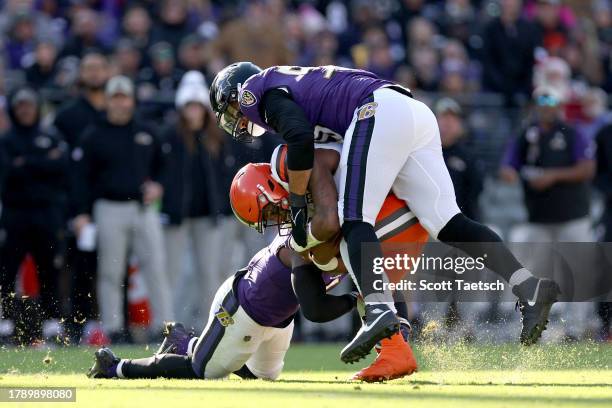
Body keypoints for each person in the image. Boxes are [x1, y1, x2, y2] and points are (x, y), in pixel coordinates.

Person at [209, 62, 560, 364]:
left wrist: (299, 206)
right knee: (448, 223)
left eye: (231, 109)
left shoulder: (255, 91)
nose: (237, 118)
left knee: (353, 219)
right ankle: (529, 286)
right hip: (412, 111)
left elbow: (299, 138)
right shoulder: (291, 86)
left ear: (235, 92)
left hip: (376, 109)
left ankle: (378, 311)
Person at [87, 163, 417, 382]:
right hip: (243, 310)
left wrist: (390, 316)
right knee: (204, 371)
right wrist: (357, 299)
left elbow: (384, 277)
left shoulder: (340, 226)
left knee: (262, 380)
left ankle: (188, 342)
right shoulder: (299, 246)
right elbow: (315, 310)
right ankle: (116, 367)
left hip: (279, 321)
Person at [72, 75, 172, 343]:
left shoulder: (146, 130)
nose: (120, 103)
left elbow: (165, 166)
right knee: (110, 270)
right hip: (108, 208)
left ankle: (164, 327)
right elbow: (80, 178)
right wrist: (81, 212)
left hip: (143, 208)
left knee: (156, 267)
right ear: (108, 100)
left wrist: (158, 185)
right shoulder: (94, 134)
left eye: (124, 97)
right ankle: (113, 327)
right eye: (115, 97)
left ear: (131, 99)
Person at [500, 87, 596, 340]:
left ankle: (576, 329)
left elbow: (587, 168)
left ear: (560, 105)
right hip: (538, 218)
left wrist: (553, 176)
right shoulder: (526, 134)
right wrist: (510, 172)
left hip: (572, 216)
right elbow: (508, 164)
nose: (546, 106)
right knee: (531, 273)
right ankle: (530, 325)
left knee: (577, 273)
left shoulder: (572, 133)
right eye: (541, 101)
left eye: (551, 100)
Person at [0, 86, 69, 344]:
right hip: (15, 216)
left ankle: (52, 325)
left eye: (29, 105)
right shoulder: (6, 140)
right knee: (7, 271)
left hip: (46, 215)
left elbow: (61, 168)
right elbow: (8, 173)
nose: (26, 110)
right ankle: (5, 324)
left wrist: (26, 163)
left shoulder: (50, 135)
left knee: (49, 269)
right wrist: (41, 162)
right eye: (20, 106)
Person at [53, 51, 110, 342]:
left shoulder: (115, 112)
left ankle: (108, 325)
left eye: (99, 67)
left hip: (111, 201)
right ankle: (76, 323)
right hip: (78, 202)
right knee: (78, 264)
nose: (94, 73)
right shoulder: (68, 116)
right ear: (81, 74)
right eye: (88, 68)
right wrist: (75, 209)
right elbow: (64, 168)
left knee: (112, 265)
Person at [160, 71, 226, 318]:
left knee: (209, 272)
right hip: (177, 213)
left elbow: (222, 174)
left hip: (207, 214)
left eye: (198, 106)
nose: (194, 111)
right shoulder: (169, 134)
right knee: (173, 272)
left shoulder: (215, 137)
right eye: (190, 106)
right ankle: (170, 323)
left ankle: (208, 325)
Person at [435, 97, 484, 220]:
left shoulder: (469, 156)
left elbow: (475, 191)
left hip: (461, 220)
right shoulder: (424, 152)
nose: (448, 123)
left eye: (453, 119)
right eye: (443, 118)